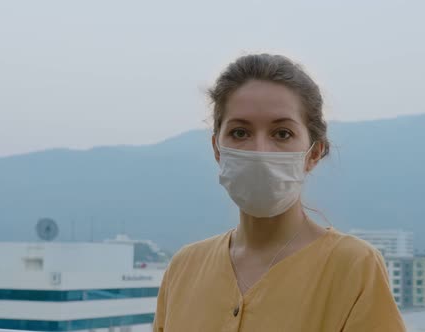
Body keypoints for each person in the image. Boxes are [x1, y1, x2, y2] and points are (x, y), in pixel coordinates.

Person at [153, 53, 406, 331]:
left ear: (314, 153)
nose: (260, 151)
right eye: (240, 133)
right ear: (217, 149)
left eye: (282, 134)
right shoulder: (184, 268)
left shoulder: (354, 268)